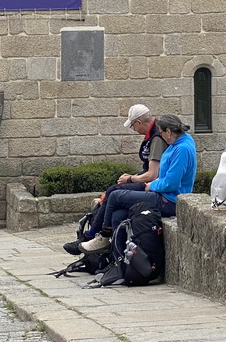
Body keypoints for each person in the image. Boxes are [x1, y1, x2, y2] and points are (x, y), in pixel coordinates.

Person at [80, 113, 197, 252]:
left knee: (115, 196)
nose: (161, 136)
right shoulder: (182, 141)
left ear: (169, 132)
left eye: (161, 133)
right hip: (163, 194)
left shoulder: (182, 148)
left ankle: (103, 238)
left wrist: (151, 185)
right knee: (118, 215)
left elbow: (171, 183)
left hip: (168, 200)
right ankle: (117, 259)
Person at [63, 104, 168, 255]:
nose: (134, 130)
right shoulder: (154, 134)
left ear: (138, 122)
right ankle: (110, 250)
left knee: (114, 193)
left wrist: (130, 179)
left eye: (133, 126)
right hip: (149, 183)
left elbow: (152, 174)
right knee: (117, 212)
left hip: (152, 186)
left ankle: (95, 236)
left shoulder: (156, 138)